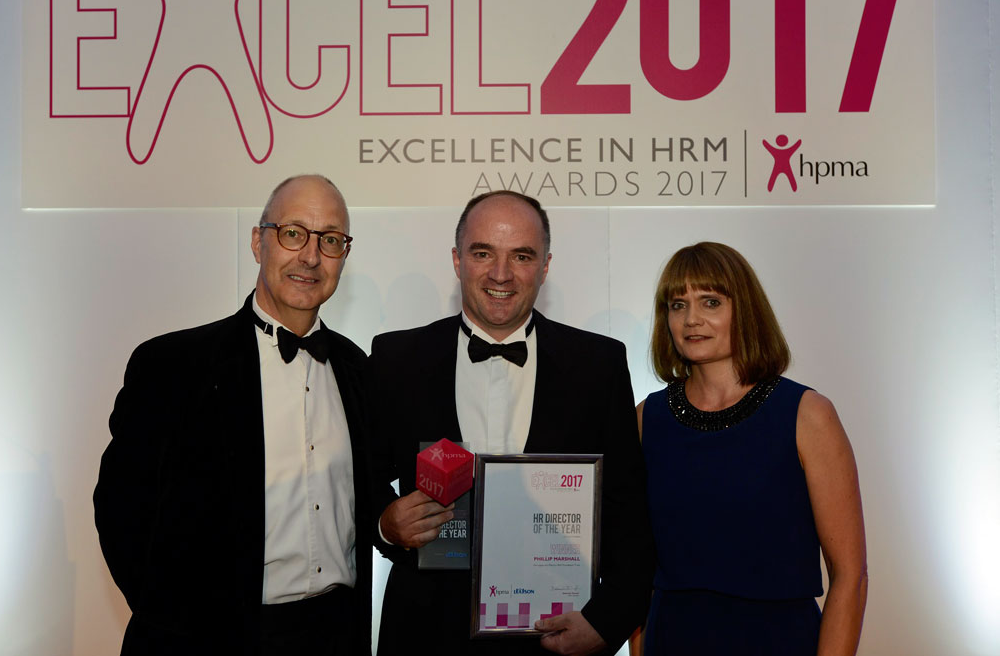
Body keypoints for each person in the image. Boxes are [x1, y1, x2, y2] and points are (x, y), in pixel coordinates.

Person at [94, 175, 372, 656]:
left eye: (330, 240)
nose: (310, 255)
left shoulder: (358, 369)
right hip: (209, 638)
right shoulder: (174, 365)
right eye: (292, 233)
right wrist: (175, 624)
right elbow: (121, 510)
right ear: (257, 241)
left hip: (333, 634)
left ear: (343, 255)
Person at [368, 190, 655, 656]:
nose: (501, 274)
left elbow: (629, 512)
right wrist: (385, 524)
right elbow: (360, 484)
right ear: (458, 260)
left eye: (521, 256)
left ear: (544, 267)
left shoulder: (598, 365)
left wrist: (605, 624)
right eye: (483, 253)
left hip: (556, 637)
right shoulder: (395, 359)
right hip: (424, 634)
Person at [632, 241, 867, 656]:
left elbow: (850, 575)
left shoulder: (807, 415)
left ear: (745, 310)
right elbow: (635, 570)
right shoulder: (646, 419)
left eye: (710, 301)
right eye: (677, 304)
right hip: (672, 639)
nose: (692, 319)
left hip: (779, 640)